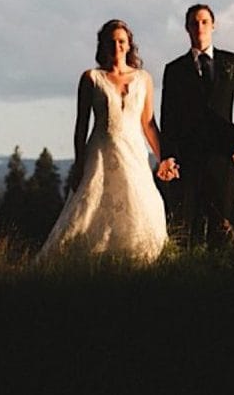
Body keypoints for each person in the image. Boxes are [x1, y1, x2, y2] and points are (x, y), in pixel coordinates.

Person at [38, 18, 176, 262]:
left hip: (134, 154)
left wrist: (163, 158)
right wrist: (79, 163)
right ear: (103, 46)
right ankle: (82, 262)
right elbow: (81, 125)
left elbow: (148, 123)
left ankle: (137, 263)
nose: (117, 46)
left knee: (145, 206)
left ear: (129, 45)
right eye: (111, 42)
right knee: (89, 210)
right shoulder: (91, 78)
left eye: (121, 41)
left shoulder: (144, 79)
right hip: (100, 155)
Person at [159, 3, 234, 245]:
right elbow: (167, 117)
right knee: (187, 229)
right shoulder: (174, 70)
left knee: (220, 226)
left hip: (222, 156)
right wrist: (169, 155)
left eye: (204, 22)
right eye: (194, 23)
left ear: (213, 26)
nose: (199, 27)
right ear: (187, 28)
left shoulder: (231, 62)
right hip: (187, 159)